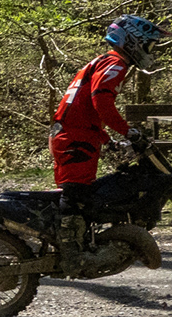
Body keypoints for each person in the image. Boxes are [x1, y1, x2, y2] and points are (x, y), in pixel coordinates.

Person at [51, 14, 163, 273]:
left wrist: (106, 139)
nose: (149, 51)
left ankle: (78, 245)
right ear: (133, 40)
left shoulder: (103, 61)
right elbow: (100, 101)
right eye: (147, 45)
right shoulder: (116, 63)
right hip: (75, 137)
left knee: (79, 191)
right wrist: (128, 132)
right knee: (75, 193)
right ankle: (72, 257)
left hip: (77, 133)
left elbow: (84, 108)